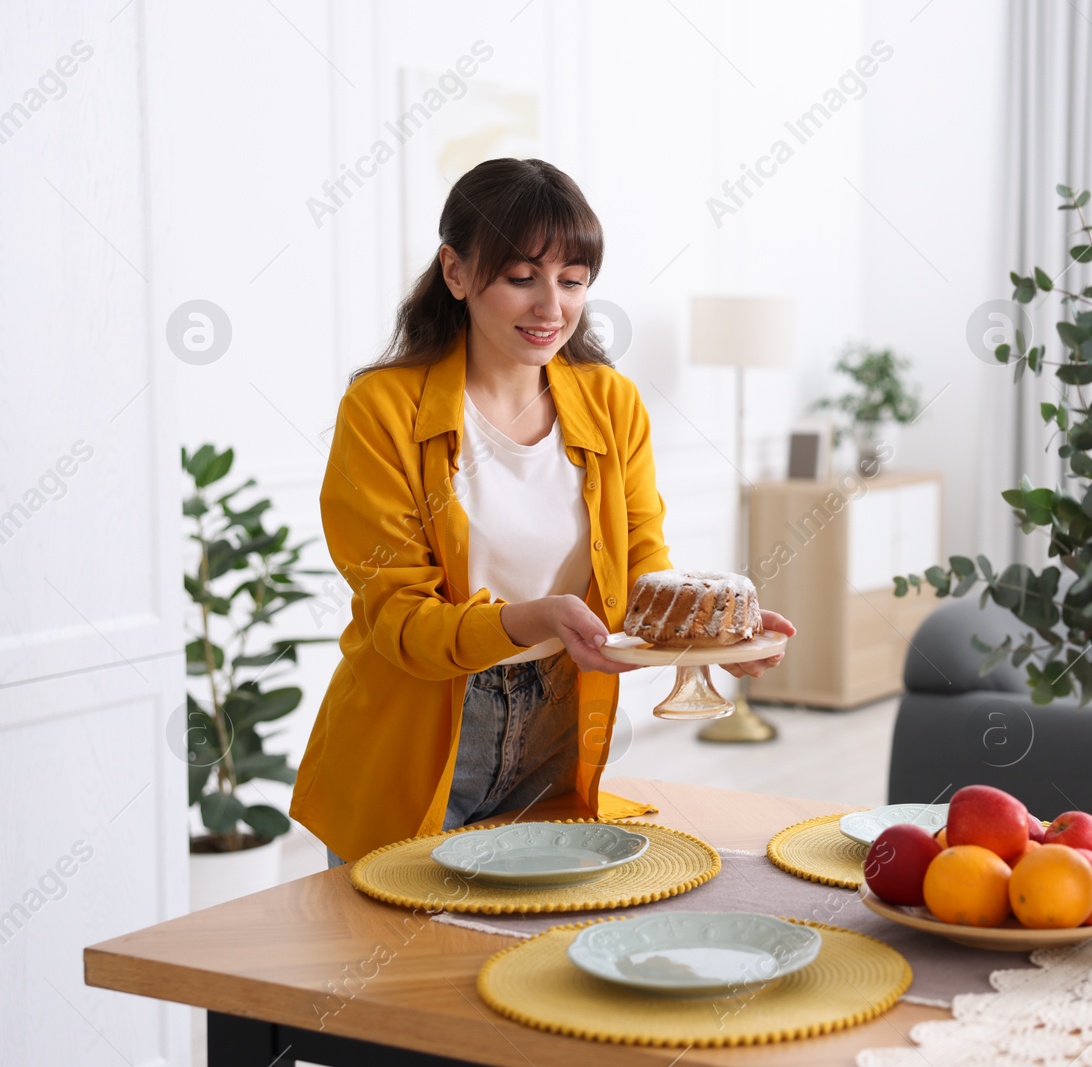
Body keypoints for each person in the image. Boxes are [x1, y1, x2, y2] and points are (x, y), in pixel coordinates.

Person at [289, 158, 794, 867]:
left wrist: (713, 638)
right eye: (522, 278)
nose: (551, 307)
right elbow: (400, 621)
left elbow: (642, 568)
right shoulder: (381, 411)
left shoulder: (610, 402)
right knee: (403, 965)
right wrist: (535, 617)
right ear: (457, 273)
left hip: (558, 730)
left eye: (573, 280)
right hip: (422, 738)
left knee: (538, 958)